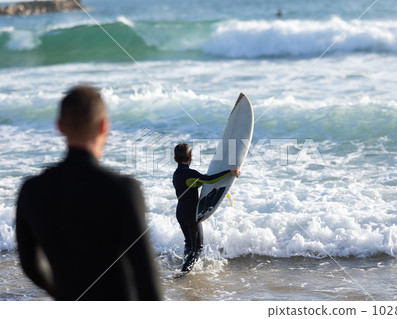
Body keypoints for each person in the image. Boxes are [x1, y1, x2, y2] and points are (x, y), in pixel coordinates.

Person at [15, 85, 162, 300]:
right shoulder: (123, 190)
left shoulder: (31, 190)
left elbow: (30, 264)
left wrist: (62, 293)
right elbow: (147, 281)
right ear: (104, 126)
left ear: (59, 127)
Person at [172, 143, 240, 273]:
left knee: (189, 243)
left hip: (180, 213)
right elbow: (209, 180)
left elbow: (192, 186)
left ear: (175, 159)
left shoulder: (176, 175)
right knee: (197, 247)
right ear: (191, 157)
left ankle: (185, 266)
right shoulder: (190, 173)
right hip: (191, 214)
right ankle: (183, 273)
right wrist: (229, 172)